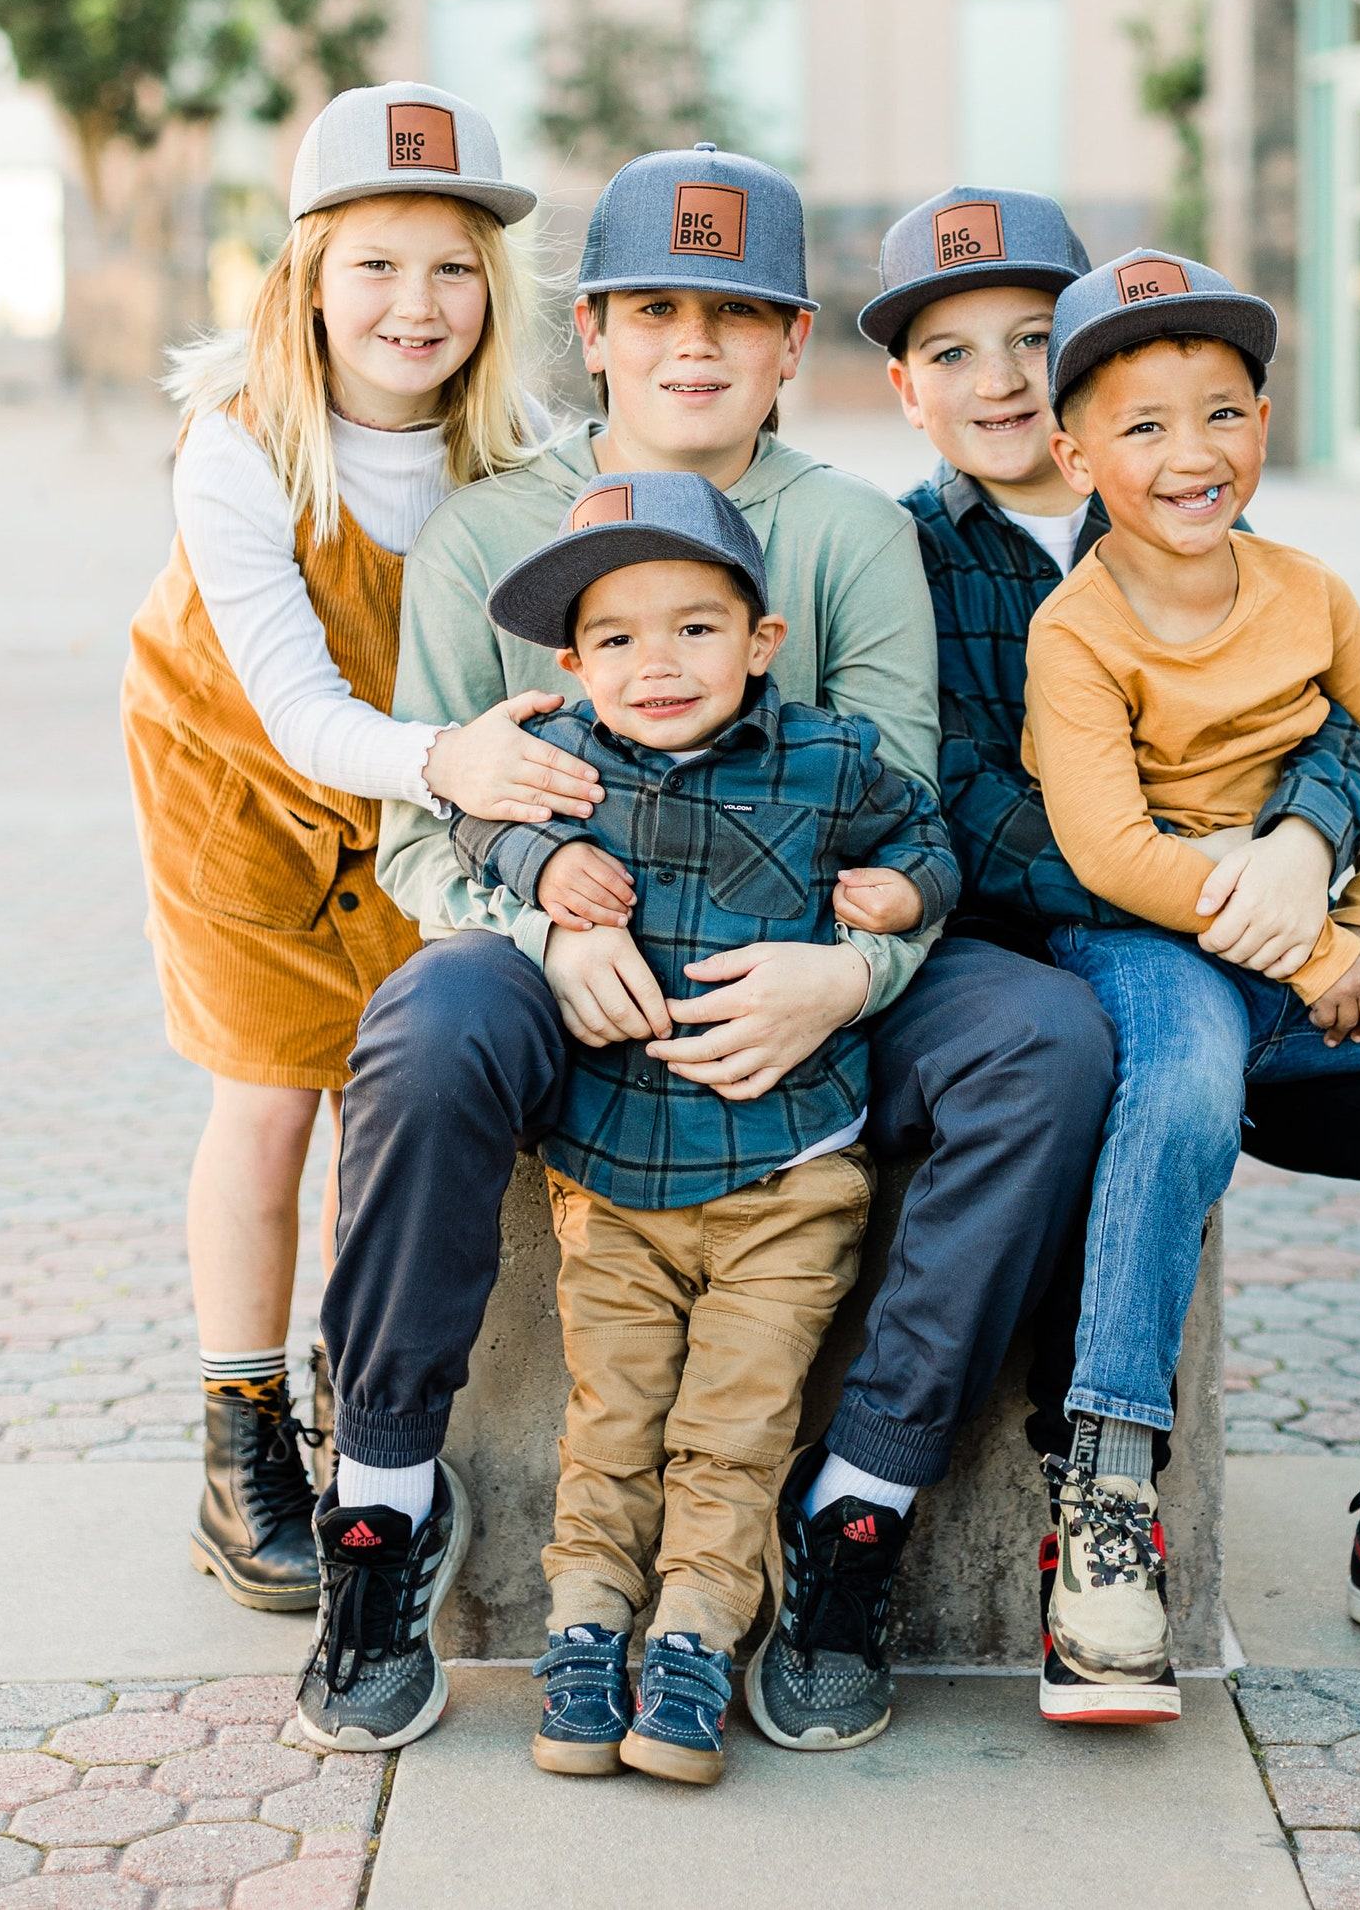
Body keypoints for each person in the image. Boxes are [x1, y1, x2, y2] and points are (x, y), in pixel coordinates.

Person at [297, 144, 1114, 1755]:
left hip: (799, 967)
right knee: (427, 1021)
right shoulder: (489, 540)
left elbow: (902, 837)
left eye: (734, 315)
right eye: (655, 307)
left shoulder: (842, 536)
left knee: (1048, 1038)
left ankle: (855, 1518)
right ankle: (384, 1501)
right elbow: (425, 830)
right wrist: (534, 925)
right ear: (588, 331)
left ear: (791, 345)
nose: (693, 344)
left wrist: (852, 975)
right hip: (570, 955)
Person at [812, 183, 1360, 1730]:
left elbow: (1337, 723)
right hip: (1097, 976)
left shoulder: (1179, 487)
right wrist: (1243, 891)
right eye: (957, 355)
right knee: (1172, 1085)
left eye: (1036, 337)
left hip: (1290, 951)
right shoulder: (905, 564)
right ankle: (1099, 1487)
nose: (1005, 379)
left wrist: (1315, 866)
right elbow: (963, 802)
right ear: (905, 387)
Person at [1024, 246, 1360, 1697]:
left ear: (1265, 425)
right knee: (1186, 1099)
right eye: (1143, 425)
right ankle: (1104, 1495)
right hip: (1155, 953)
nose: (1191, 452)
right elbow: (1108, 849)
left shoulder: (1311, 590)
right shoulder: (1073, 628)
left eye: (1222, 411)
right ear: (1075, 449)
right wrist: (1317, 940)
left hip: (1329, 949)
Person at [121, 81, 565, 1618]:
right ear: (305, 273)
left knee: (383, 1091)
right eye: (373, 262)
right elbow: (304, 711)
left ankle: (343, 1385)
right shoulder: (236, 449)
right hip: (239, 774)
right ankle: (236, 1432)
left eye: (451, 264)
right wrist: (457, 759)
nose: (414, 302)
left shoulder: (515, 456)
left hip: (423, 792)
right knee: (271, 1092)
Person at [444, 470, 958, 1782]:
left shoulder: (828, 761)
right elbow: (468, 815)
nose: (656, 664)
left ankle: (692, 1642)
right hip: (613, 1182)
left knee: (732, 1432)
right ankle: (585, 1631)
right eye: (616, 637)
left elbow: (934, 836)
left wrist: (900, 890)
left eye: (693, 628)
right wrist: (539, 868)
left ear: (761, 640)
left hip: (788, 1183)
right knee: (611, 1425)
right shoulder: (560, 760)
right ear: (570, 661)